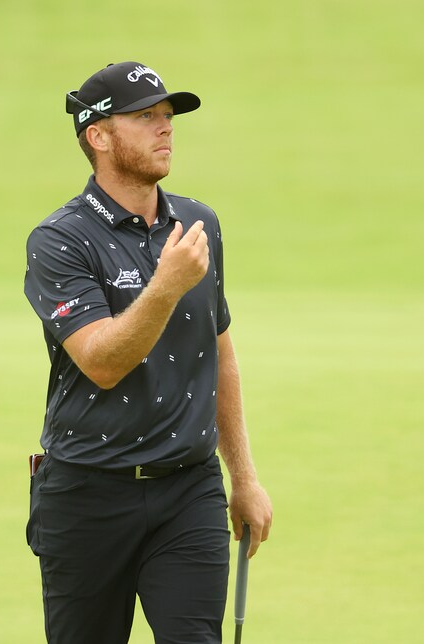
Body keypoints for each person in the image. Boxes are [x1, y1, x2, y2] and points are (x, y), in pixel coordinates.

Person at [23, 61, 273, 644]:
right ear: (99, 136)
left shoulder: (197, 222)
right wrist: (166, 285)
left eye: (167, 116)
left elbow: (220, 355)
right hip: (86, 496)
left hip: (188, 489)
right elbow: (102, 362)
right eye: (145, 117)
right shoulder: (59, 240)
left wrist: (245, 478)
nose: (165, 128)